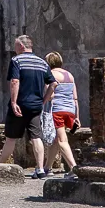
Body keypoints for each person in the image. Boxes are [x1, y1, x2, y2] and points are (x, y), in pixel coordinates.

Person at [0, 34, 54, 179]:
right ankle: (41, 169)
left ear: (21, 46)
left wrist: (13, 102)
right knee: (36, 137)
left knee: (11, 137)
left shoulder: (16, 60)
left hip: (20, 104)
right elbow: (53, 83)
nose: (14, 48)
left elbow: (15, 81)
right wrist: (44, 100)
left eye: (16, 45)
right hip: (36, 105)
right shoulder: (42, 62)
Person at [43, 50, 79, 178]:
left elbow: (50, 94)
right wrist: (77, 117)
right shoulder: (70, 75)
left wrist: (42, 102)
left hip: (57, 110)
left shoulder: (50, 74)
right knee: (56, 140)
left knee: (62, 140)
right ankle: (47, 168)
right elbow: (75, 98)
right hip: (70, 110)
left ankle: (74, 168)